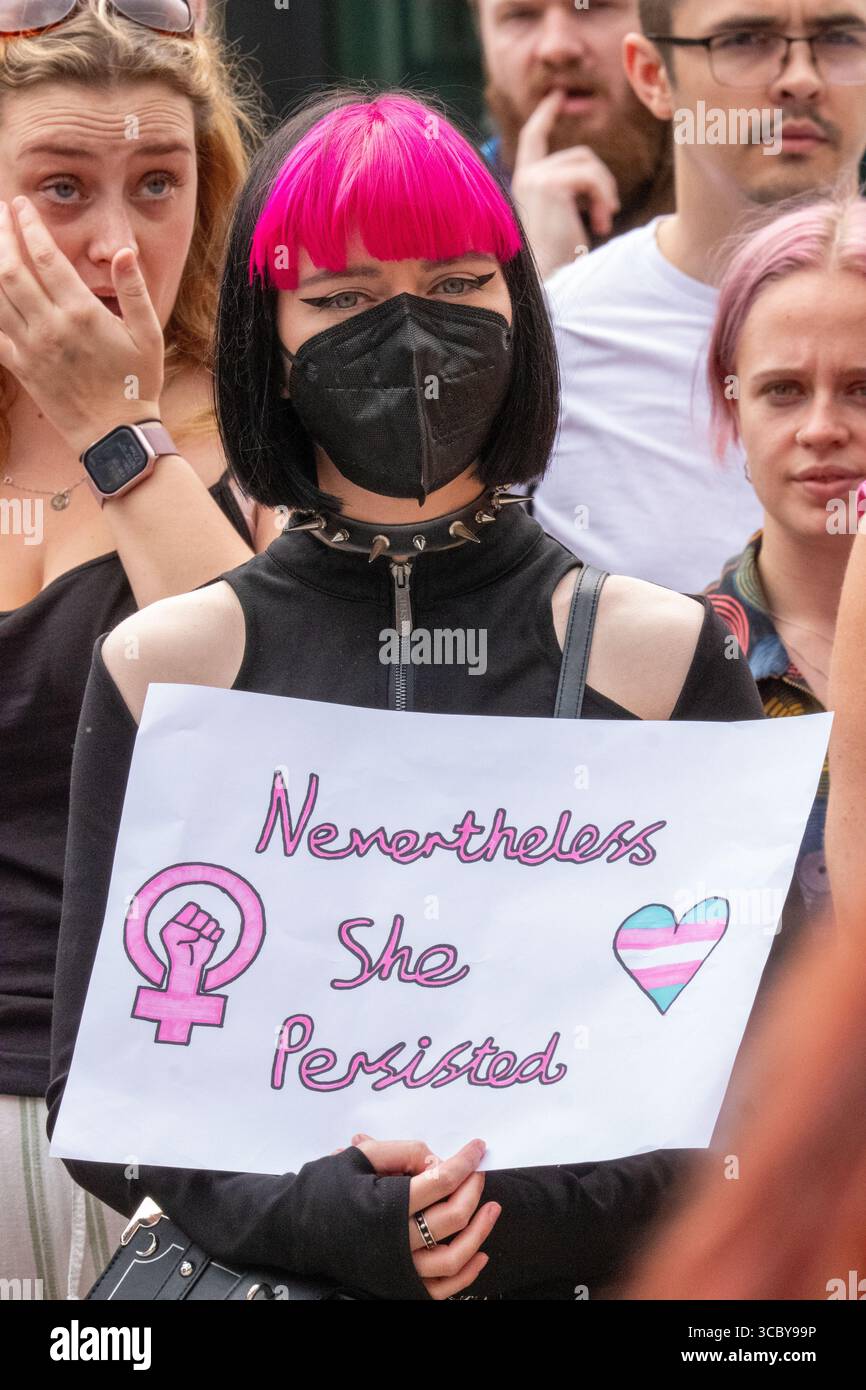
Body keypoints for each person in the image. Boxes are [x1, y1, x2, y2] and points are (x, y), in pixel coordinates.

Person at [46, 87, 766, 1302]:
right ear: (262, 339)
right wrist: (318, 1215)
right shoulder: (165, 665)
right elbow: (100, 1090)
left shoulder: (659, 656)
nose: (411, 335)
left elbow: (751, 1080)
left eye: (453, 285)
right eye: (340, 299)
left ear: (518, 313)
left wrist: (503, 1219)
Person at [0, 0, 273, 1299]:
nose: (116, 243)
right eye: (60, 187)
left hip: (181, 1133)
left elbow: (277, 725)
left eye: (158, 183)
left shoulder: (274, 430)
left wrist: (117, 425)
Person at [532, 0, 866, 592]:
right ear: (653, 75)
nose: (801, 79)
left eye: (840, 37)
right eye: (745, 40)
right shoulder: (555, 340)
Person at [704, 199, 866, 948]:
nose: (824, 426)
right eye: (783, 390)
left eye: (863, 389)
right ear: (732, 409)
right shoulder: (667, 666)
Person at [468, 0, 674, 277]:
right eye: (520, 15)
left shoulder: (737, 206)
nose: (557, 48)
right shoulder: (440, 217)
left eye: (594, 7)